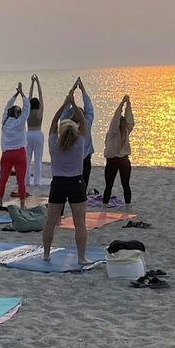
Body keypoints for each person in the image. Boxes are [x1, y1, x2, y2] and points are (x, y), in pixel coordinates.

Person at [42, 82, 91, 264]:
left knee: (51, 221)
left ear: (61, 131)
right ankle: (81, 257)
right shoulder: (79, 143)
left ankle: (46, 254)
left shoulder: (54, 143)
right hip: (76, 183)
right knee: (80, 223)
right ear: (75, 130)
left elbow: (54, 122)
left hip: (58, 184)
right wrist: (74, 102)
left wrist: (66, 103)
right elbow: (84, 122)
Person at [0, 83, 30, 208]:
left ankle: (0, 202)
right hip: (19, 153)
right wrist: (22, 93)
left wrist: (15, 95)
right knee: (21, 180)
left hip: (6, 154)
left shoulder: (4, 122)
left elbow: (7, 106)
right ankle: (22, 204)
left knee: (3, 179)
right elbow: (27, 107)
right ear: (17, 114)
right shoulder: (20, 122)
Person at [102, 95, 134, 207]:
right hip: (117, 160)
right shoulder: (116, 132)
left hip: (120, 161)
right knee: (112, 185)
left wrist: (126, 104)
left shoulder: (122, 131)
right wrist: (124, 104)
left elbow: (126, 120)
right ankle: (107, 204)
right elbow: (119, 119)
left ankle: (126, 205)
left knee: (122, 185)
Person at [26, 75, 45, 188]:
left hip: (28, 134)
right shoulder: (39, 112)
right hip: (38, 134)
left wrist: (32, 83)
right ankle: (37, 181)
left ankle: (27, 181)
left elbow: (28, 98)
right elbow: (41, 96)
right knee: (38, 159)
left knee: (27, 159)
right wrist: (38, 82)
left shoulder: (27, 111)